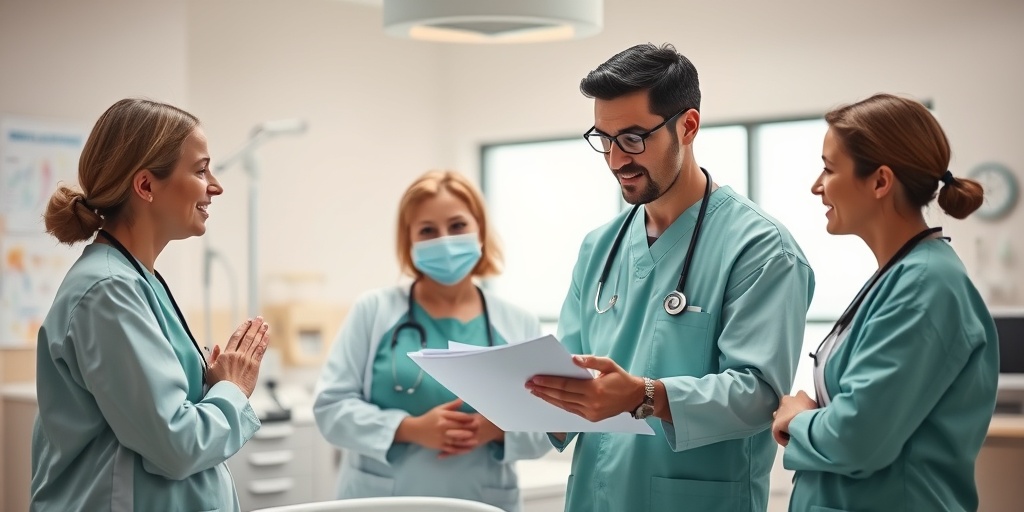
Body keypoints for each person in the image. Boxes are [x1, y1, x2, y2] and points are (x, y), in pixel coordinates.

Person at [525, 43, 816, 511]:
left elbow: (759, 395)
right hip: (595, 496)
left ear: (688, 125)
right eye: (604, 138)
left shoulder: (760, 248)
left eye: (634, 138)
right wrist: (525, 399)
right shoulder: (598, 247)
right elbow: (574, 376)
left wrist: (646, 396)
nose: (617, 159)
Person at [31, 98, 272, 511]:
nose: (216, 185)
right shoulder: (107, 291)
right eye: (200, 170)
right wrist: (233, 390)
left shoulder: (134, 280)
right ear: (145, 186)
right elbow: (175, 444)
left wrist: (209, 388)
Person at [770, 93, 999, 511]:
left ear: (880, 181)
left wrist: (799, 417)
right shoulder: (904, 275)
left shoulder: (925, 287)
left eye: (828, 168)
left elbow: (858, 439)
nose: (816, 186)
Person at [313, 170, 551, 512]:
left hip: (481, 499)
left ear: (479, 230)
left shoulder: (517, 322)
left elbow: (550, 428)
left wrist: (496, 429)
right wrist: (408, 428)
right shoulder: (374, 310)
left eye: (457, 226)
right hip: (381, 500)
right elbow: (330, 408)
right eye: (427, 231)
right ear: (408, 241)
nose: (445, 241)